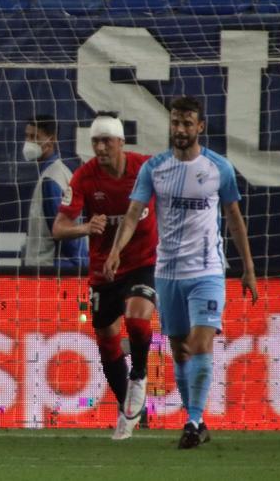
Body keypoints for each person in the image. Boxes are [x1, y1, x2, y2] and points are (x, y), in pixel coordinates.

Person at [107, 96, 259, 449]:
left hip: (207, 271)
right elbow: (133, 214)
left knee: (201, 342)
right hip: (167, 273)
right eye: (176, 122)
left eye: (188, 123)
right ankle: (198, 419)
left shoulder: (218, 168)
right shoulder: (155, 168)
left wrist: (248, 269)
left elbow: (235, 219)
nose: (180, 129)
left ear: (200, 127)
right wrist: (116, 250)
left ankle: (191, 421)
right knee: (179, 351)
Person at [52, 112, 158, 440]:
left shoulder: (146, 168)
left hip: (142, 261)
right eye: (95, 141)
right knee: (106, 341)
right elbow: (58, 228)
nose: (100, 147)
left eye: (106, 141)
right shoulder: (84, 177)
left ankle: (139, 375)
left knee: (137, 318)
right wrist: (86, 227)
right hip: (104, 270)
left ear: (121, 143)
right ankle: (127, 408)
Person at [22, 115, 87, 268]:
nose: (29, 142)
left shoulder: (51, 180)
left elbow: (64, 232)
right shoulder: (58, 173)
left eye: (34, 137)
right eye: (27, 136)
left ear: (51, 140)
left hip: (52, 270)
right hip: (52, 267)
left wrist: (73, 267)